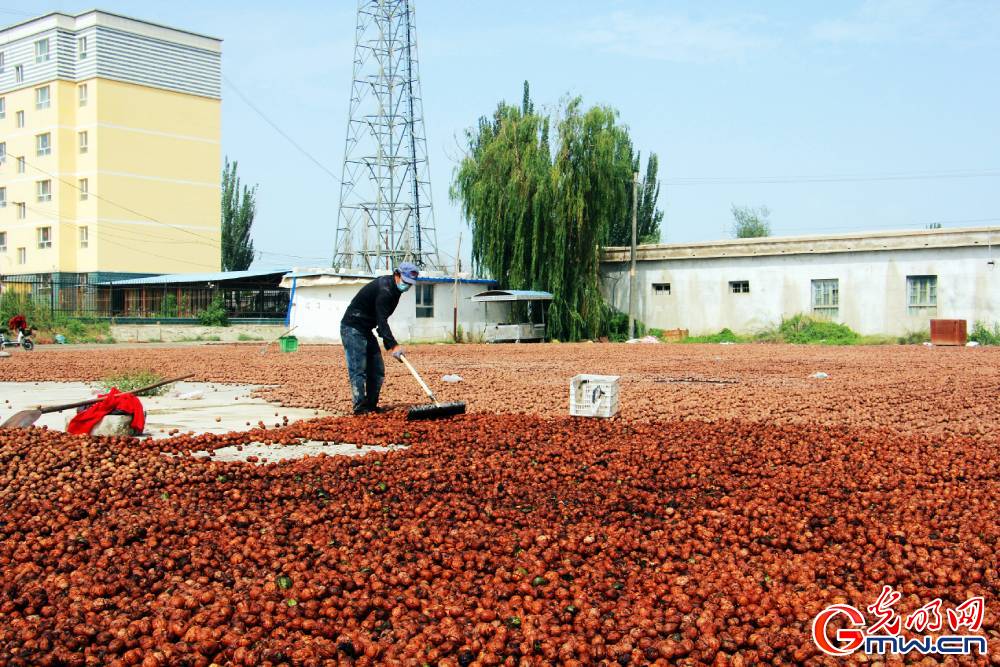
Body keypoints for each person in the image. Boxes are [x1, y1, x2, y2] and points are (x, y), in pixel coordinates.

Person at [340, 262, 419, 415]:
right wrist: (393, 345)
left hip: (366, 329)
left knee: (377, 369)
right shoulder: (385, 290)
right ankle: (360, 408)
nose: (407, 286)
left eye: (410, 284)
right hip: (352, 327)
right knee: (358, 369)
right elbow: (382, 321)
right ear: (397, 275)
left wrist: (388, 343)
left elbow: (380, 322)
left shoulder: (396, 290)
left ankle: (370, 406)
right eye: (406, 282)